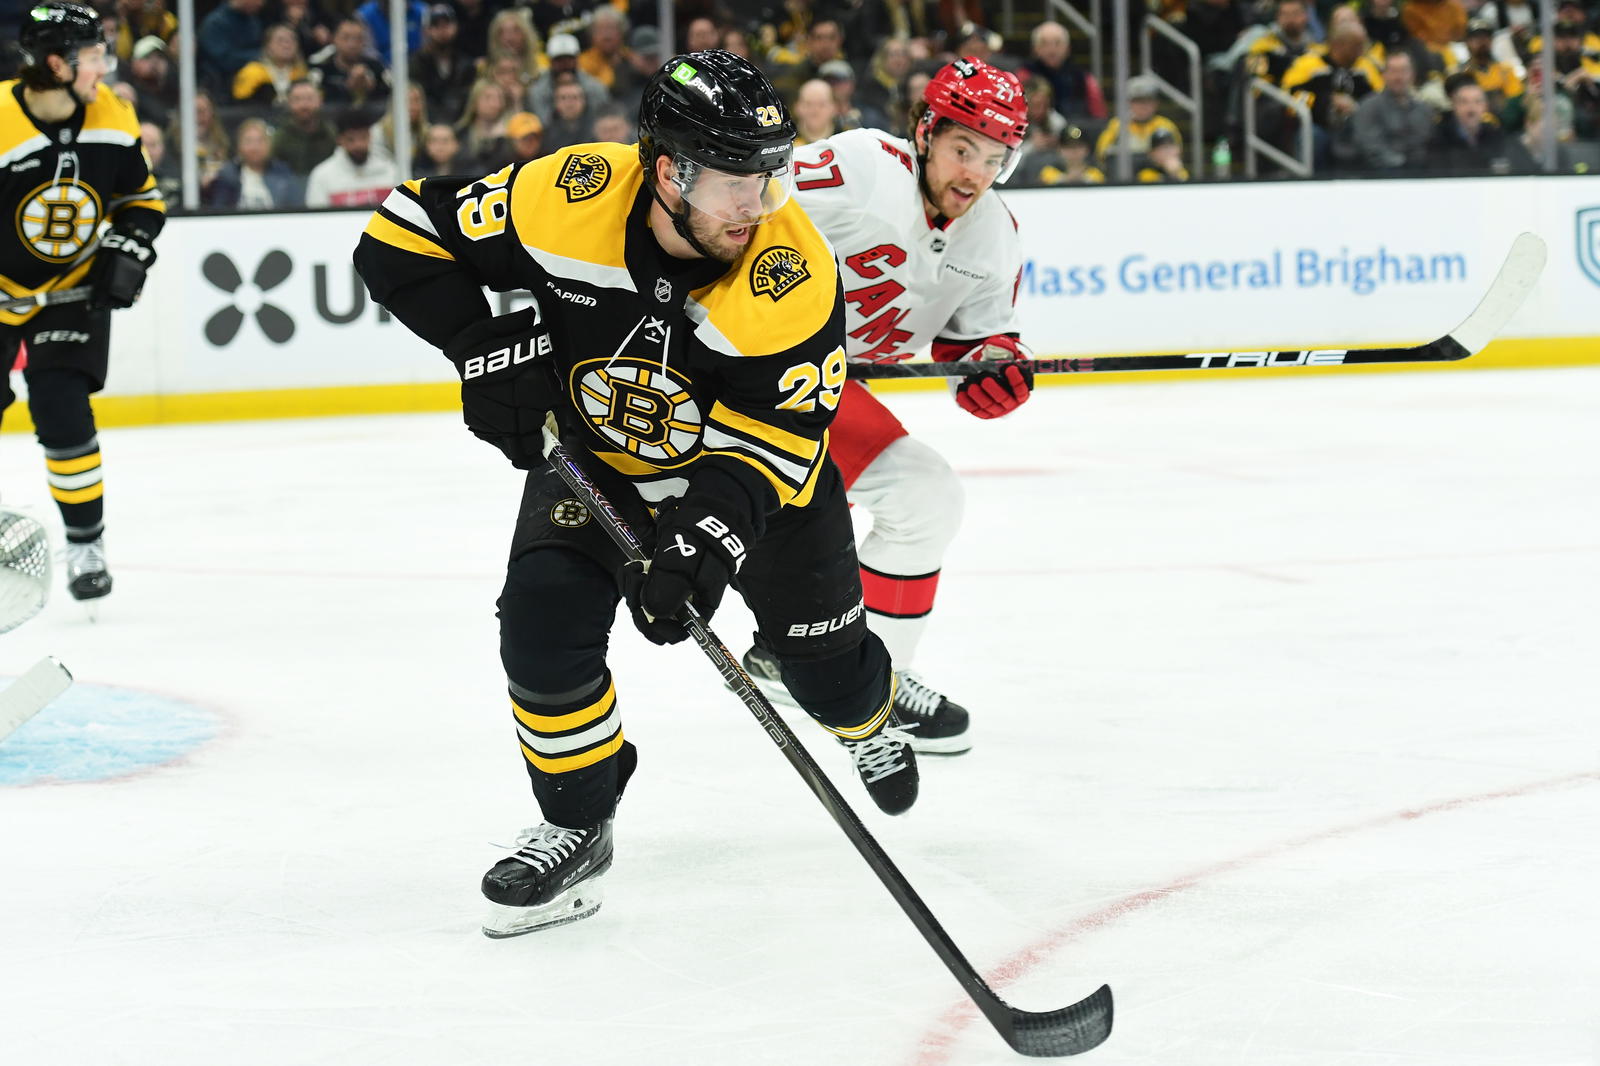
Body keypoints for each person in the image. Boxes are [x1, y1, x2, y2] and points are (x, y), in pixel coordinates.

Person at [352, 49, 910, 938]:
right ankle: (579, 820)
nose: (758, 204)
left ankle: (871, 711)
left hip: (760, 484)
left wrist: (699, 544)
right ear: (666, 170)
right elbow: (403, 230)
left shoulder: (792, 270)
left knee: (829, 682)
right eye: (734, 180)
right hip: (602, 461)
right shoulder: (565, 196)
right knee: (538, 628)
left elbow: (778, 441)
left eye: (768, 175)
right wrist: (482, 347)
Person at [738, 58, 1034, 756]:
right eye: (964, 149)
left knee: (926, 497)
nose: (975, 174)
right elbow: (740, 206)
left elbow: (976, 343)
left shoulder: (995, 234)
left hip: (826, 388)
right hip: (745, 367)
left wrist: (990, 371)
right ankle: (826, 665)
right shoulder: (864, 166)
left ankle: (872, 676)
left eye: (995, 159)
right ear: (926, 133)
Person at [1, 2, 165, 602]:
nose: (104, 66)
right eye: (93, 56)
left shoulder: (111, 113)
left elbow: (142, 201)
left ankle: (84, 543)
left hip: (71, 289)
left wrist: (128, 248)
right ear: (56, 63)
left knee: (62, 406)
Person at [1427, 73, 1538, 173]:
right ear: (1454, 106)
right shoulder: (1438, 138)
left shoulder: (1496, 136)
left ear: (1485, 107)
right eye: (1464, 102)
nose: (1471, 109)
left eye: (1477, 102)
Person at [1348, 50, 1436, 171]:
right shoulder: (1368, 107)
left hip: (1420, 176)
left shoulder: (1424, 110)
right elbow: (1369, 147)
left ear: (1412, 75)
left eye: (1403, 71)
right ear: (1384, 75)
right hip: (1379, 176)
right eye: (1393, 71)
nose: (1398, 77)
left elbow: (1427, 146)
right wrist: (1403, 166)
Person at [304, 108, 399, 207]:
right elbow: (317, 217)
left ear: (370, 136)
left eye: (363, 137)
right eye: (351, 139)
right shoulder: (322, 175)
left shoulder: (391, 170)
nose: (358, 145)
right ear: (340, 140)